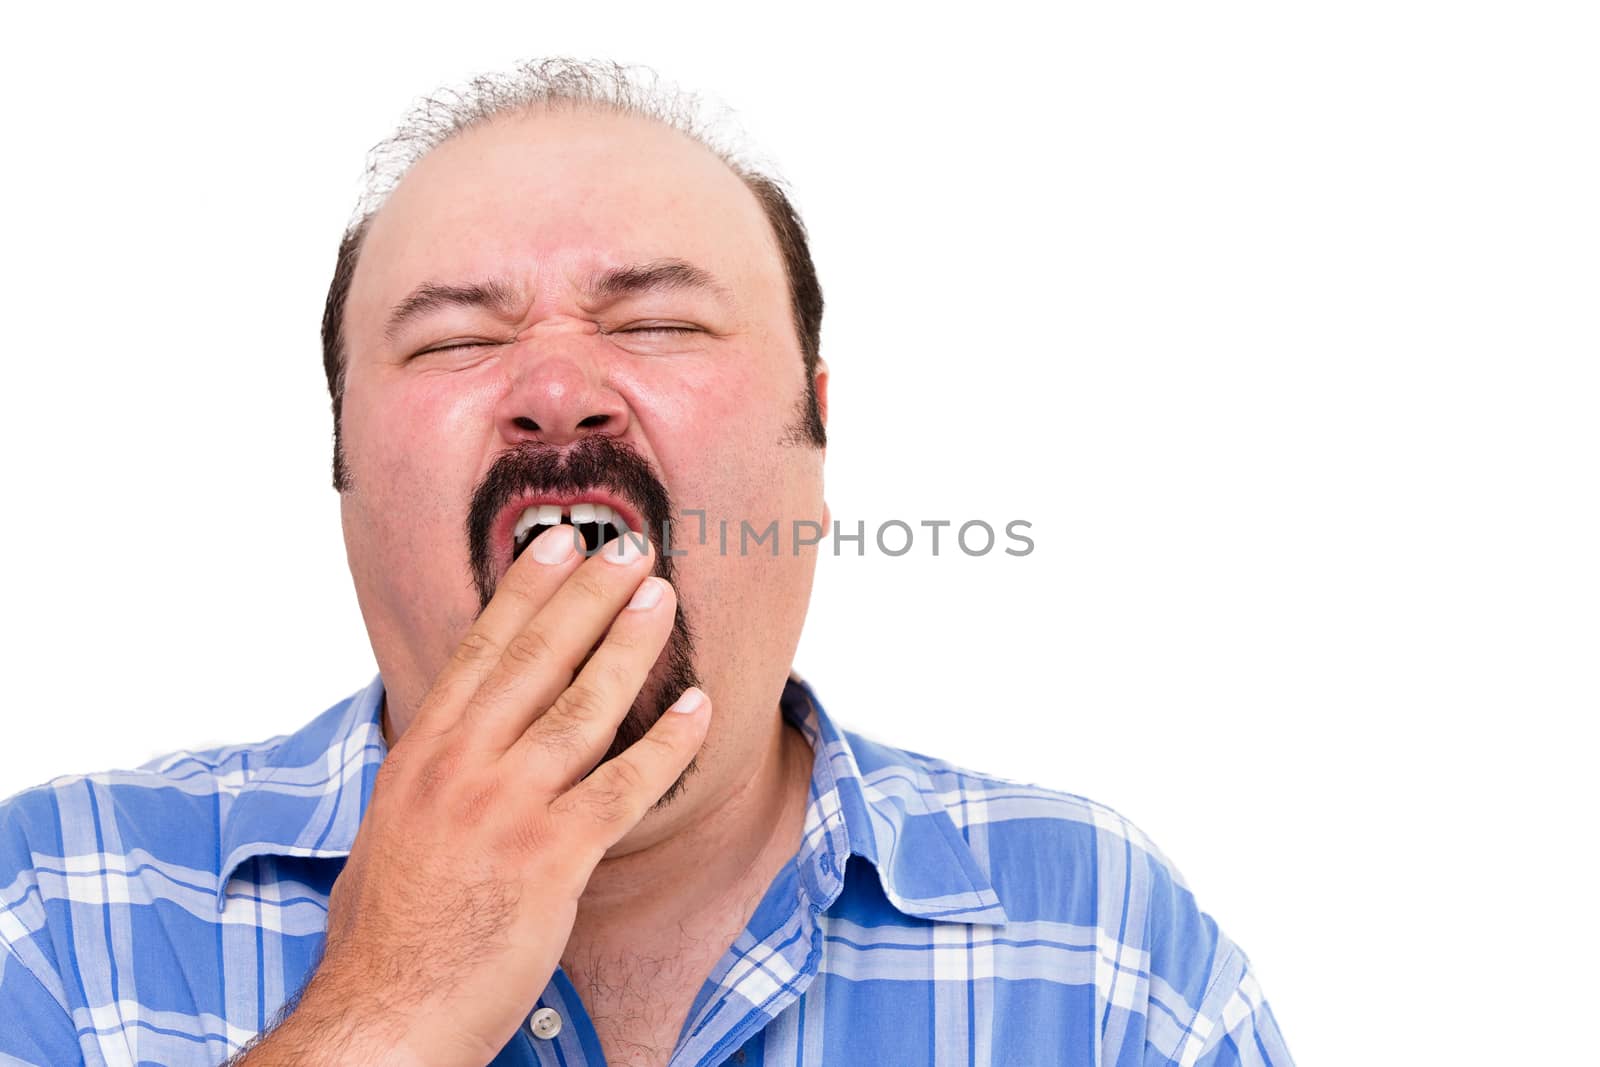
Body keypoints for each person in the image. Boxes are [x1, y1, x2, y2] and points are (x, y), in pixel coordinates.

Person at [0, 59, 1293, 1067]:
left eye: (661, 321)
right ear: (345, 463)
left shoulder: (1102, 949)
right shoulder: (54, 907)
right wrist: (390, 1009)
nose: (559, 388)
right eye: (455, 340)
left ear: (818, 436)